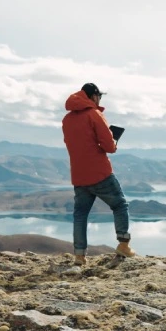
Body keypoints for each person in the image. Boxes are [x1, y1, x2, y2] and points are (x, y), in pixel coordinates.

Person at [62, 82, 136, 266]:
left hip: (79, 175)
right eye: (99, 96)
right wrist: (113, 141)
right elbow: (109, 147)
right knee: (120, 205)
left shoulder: (67, 119)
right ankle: (123, 245)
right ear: (93, 96)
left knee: (80, 214)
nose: (100, 99)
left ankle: (80, 256)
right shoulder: (95, 114)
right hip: (99, 172)